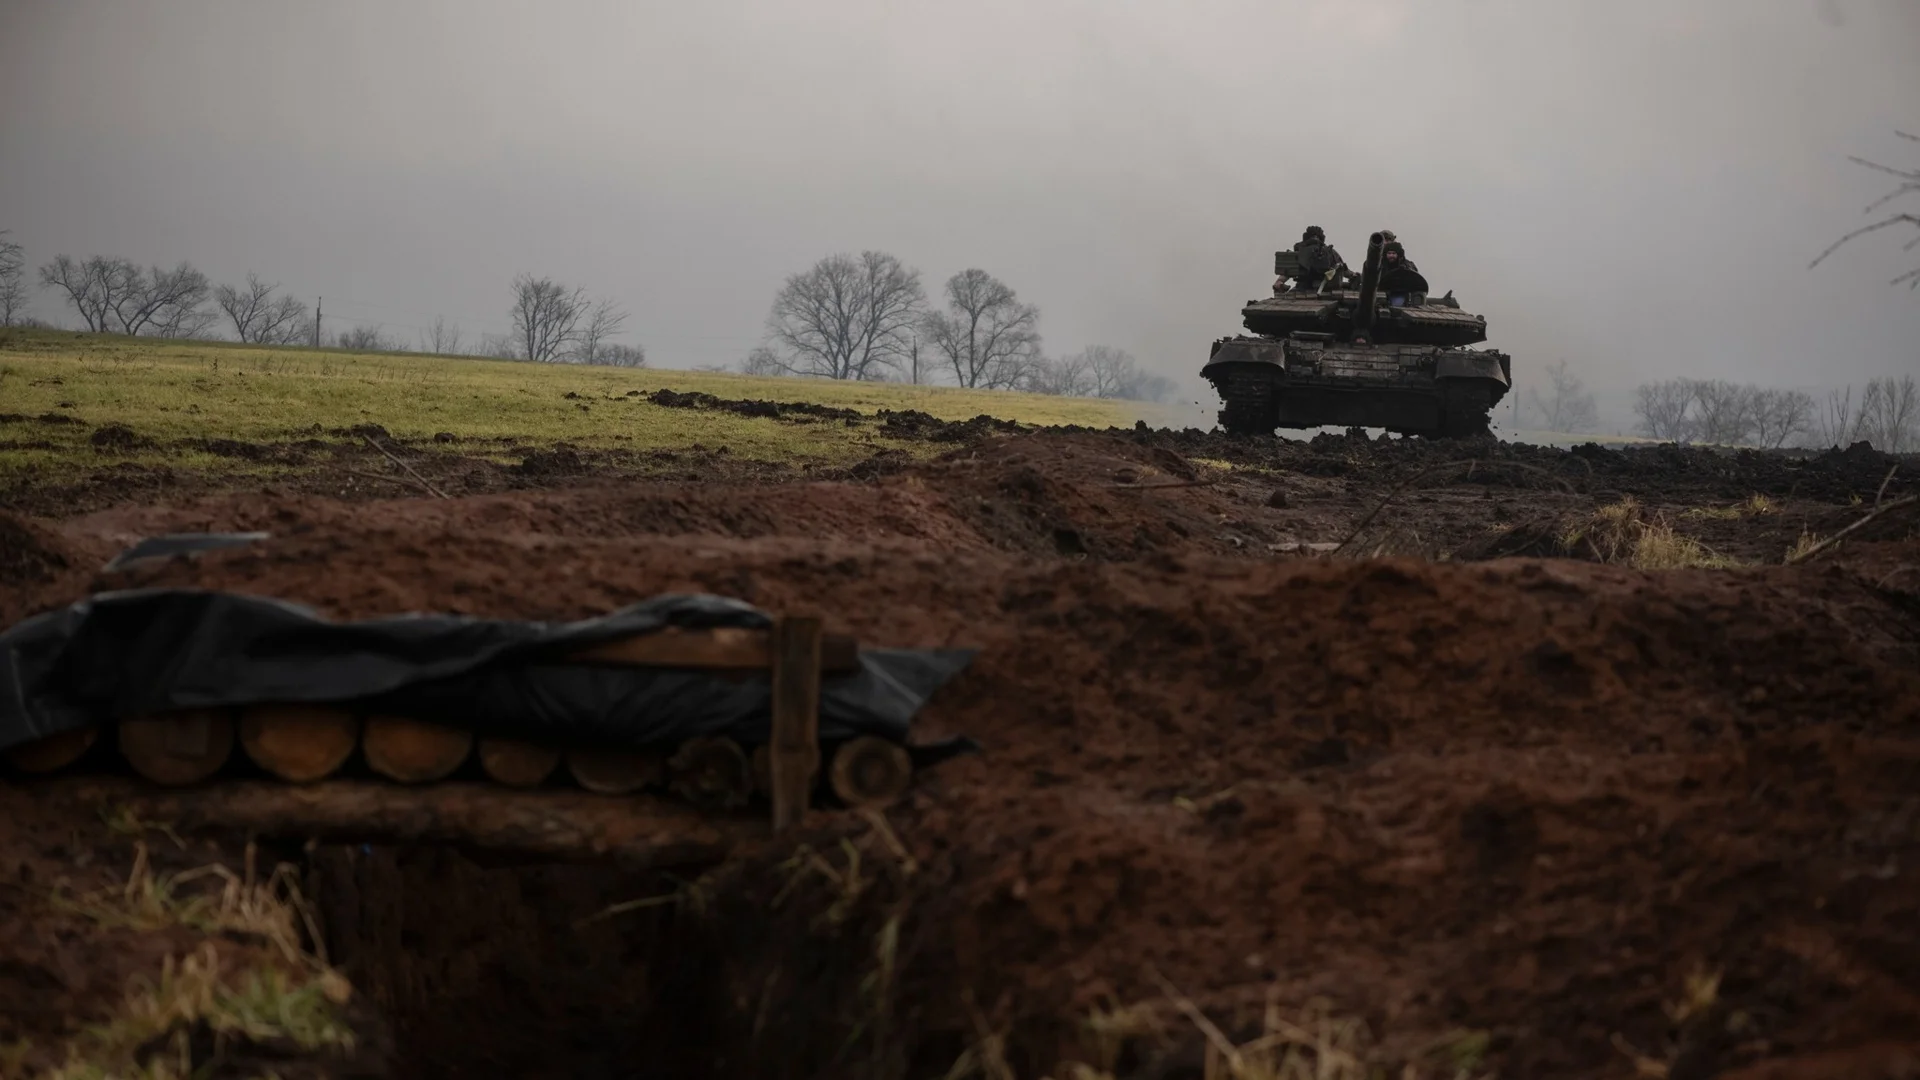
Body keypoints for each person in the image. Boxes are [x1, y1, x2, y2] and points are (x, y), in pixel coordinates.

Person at [1290, 225, 1346, 292]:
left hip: (1302, 289)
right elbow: (1344, 270)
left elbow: (1287, 270)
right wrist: (1354, 276)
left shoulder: (1300, 251)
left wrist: (1279, 282)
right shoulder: (1330, 252)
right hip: (1326, 289)